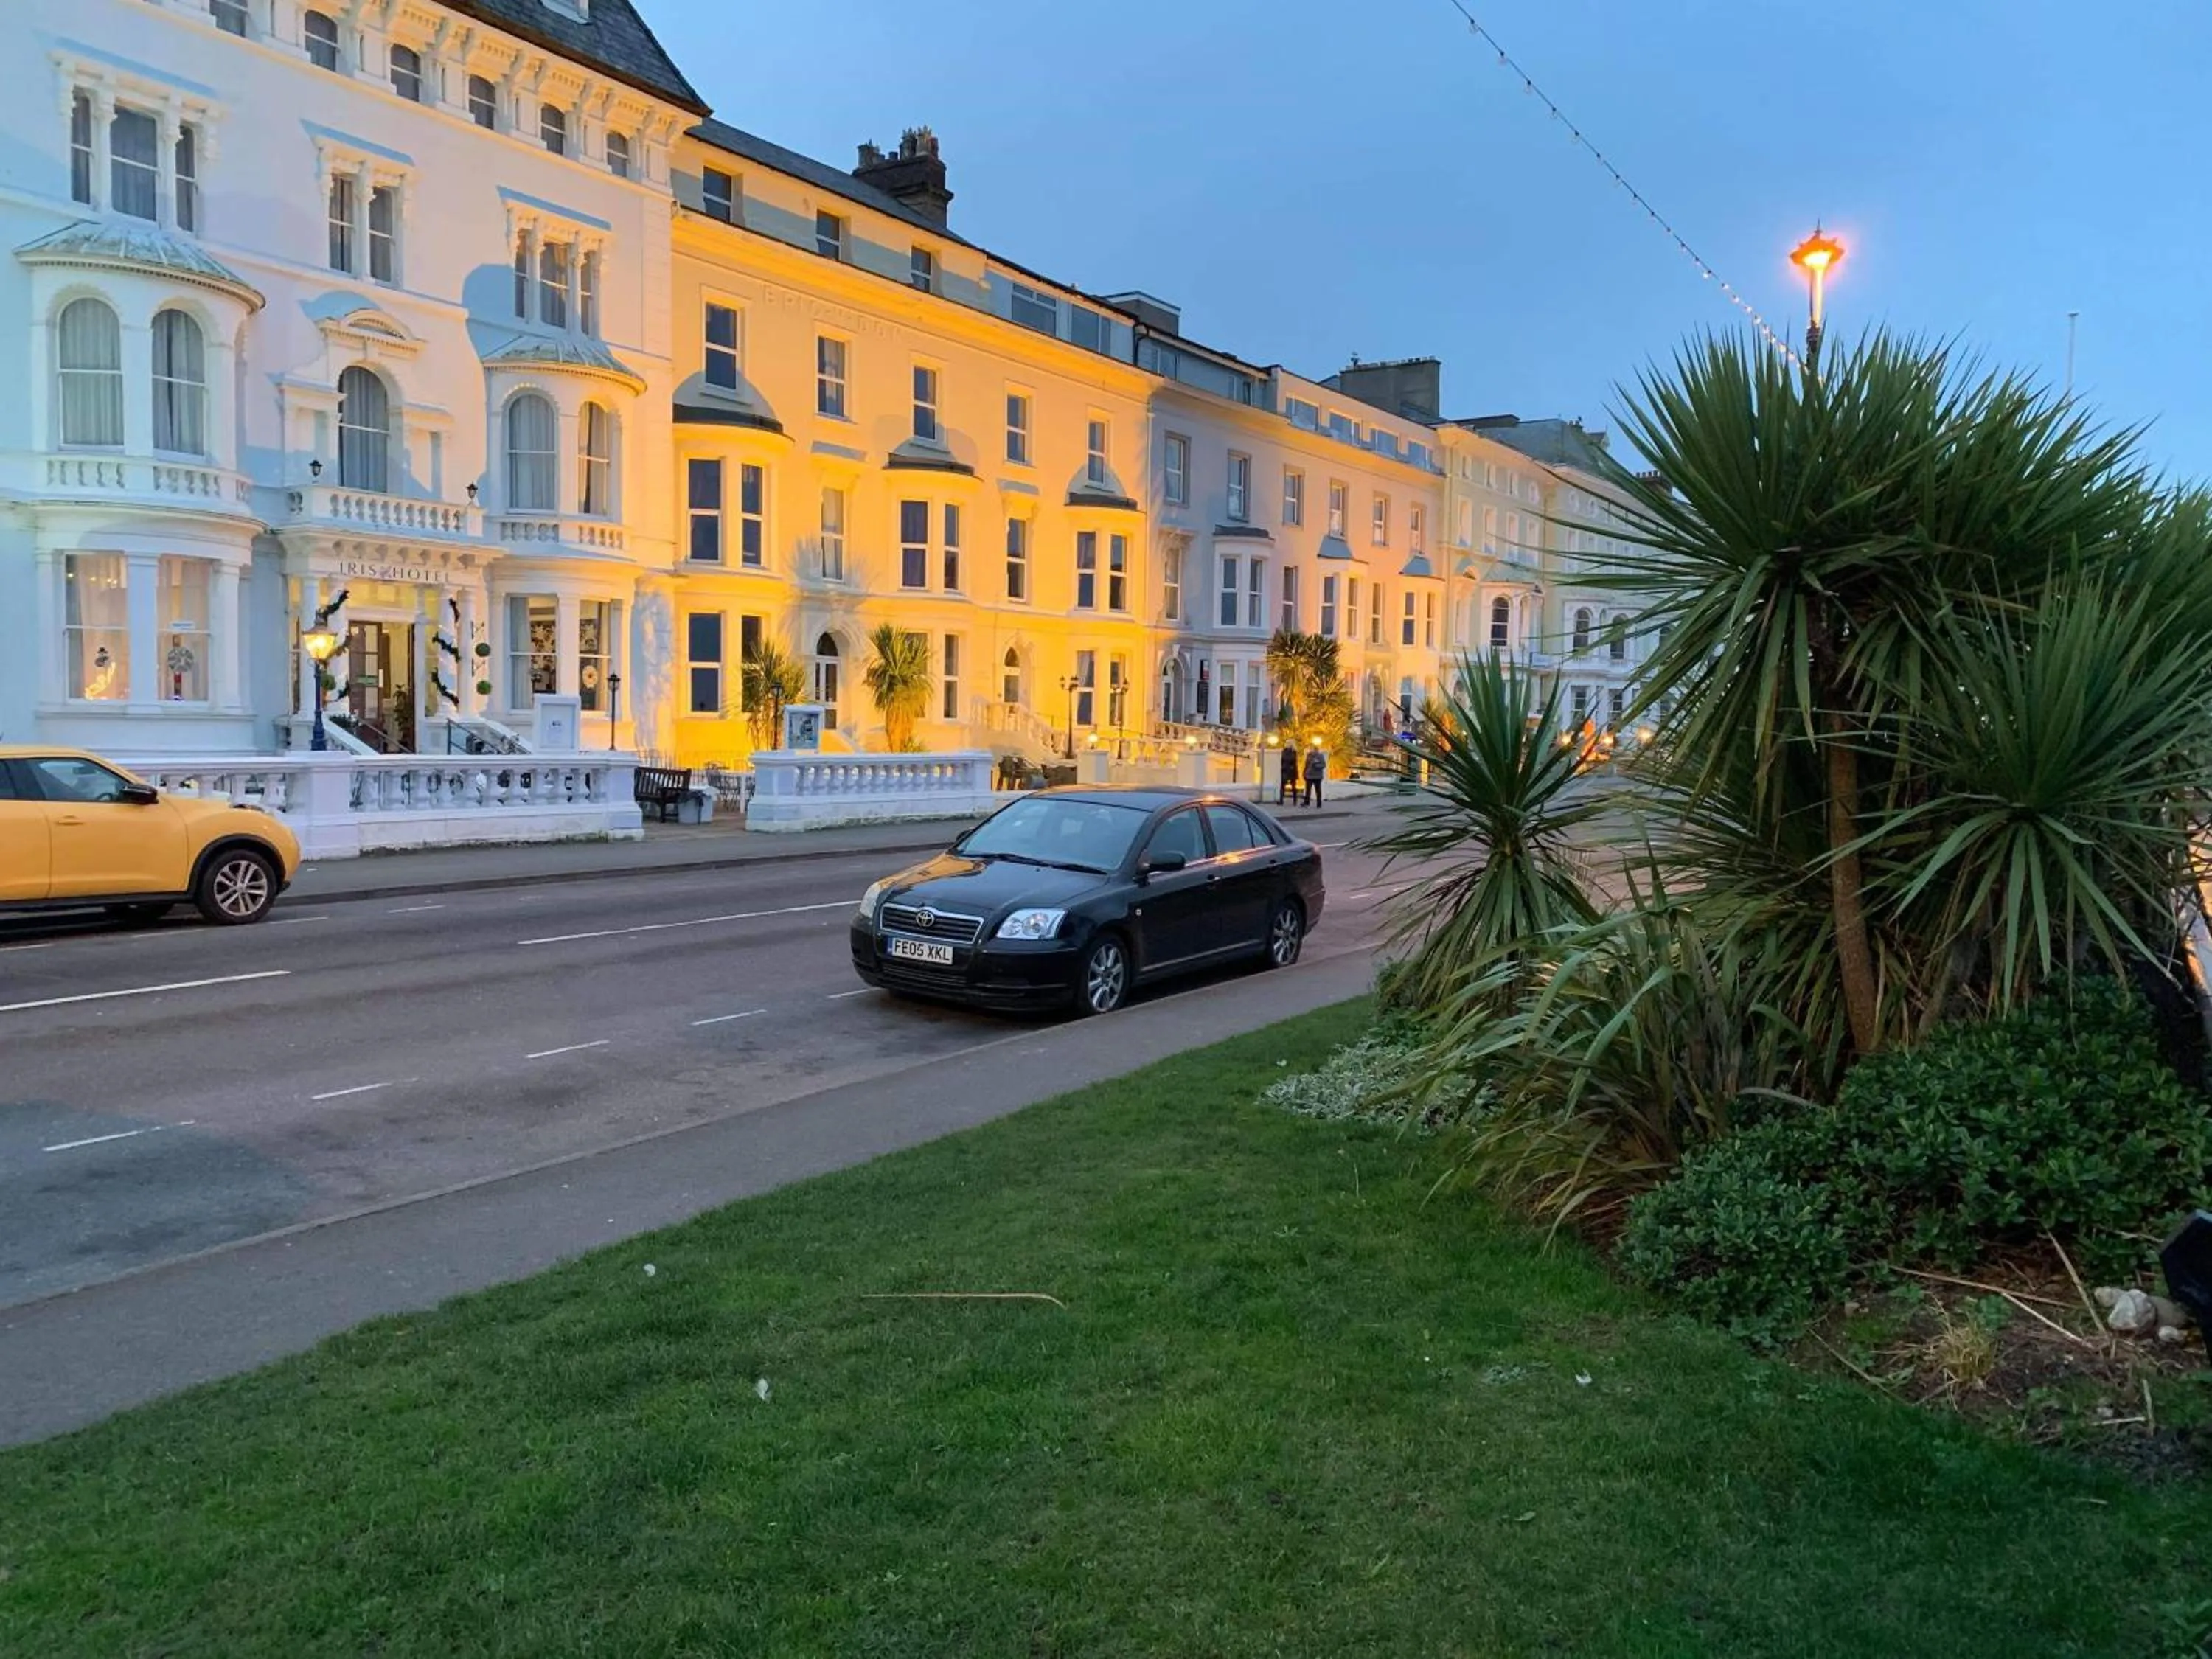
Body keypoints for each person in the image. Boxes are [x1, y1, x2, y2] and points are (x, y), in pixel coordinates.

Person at [1302, 742, 1326, 808]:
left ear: (1316, 749)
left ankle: (1319, 804)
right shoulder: (1308, 755)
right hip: (1309, 775)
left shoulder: (1320, 755)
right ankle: (1306, 803)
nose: (1310, 750)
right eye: (1310, 748)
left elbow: (1323, 765)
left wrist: (1316, 764)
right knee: (1308, 790)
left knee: (1318, 790)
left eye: (1311, 748)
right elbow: (1306, 765)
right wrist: (1304, 773)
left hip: (1317, 776)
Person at [1277, 739, 1298, 805]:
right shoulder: (1284, 751)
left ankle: (1295, 800)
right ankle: (1281, 800)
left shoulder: (1294, 752)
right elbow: (1282, 760)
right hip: (1285, 770)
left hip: (1291, 771)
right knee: (1282, 786)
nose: (1285, 744)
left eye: (1287, 743)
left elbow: (1292, 760)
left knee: (1293, 786)